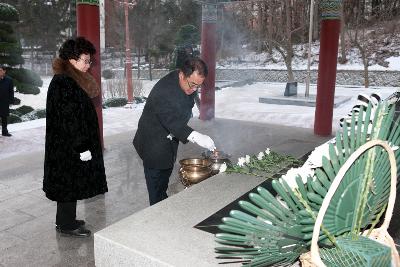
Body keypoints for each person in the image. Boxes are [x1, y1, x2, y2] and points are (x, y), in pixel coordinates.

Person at [43, 37, 108, 237]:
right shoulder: (65, 83)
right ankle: (66, 225)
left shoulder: (71, 79)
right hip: (69, 146)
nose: (88, 65)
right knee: (68, 185)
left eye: (90, 61)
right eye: (85, 60)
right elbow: (69, 118)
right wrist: (82, 147)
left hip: (67, 145)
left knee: (68, 184)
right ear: (71, 59)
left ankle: (64, 220)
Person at [133, 57, 216, 206]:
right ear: (181, 75)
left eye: (199, 86)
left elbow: (183, 107)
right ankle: (157, 213)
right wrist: (195, 136)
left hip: (168, 140)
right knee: (156, 185)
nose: (194, 89)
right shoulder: (163, 92)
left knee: (163, 180)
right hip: (153, 143)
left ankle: (161, 202)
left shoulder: (186, 83)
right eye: (192, 84)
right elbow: (171, 120)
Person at [0, 65, 14, 137]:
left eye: (0, 70)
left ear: (4, 71)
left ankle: (4, 132)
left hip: (4, 102)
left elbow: (11, 91)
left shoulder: (9, 80)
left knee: (4, 117)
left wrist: (11, 101)